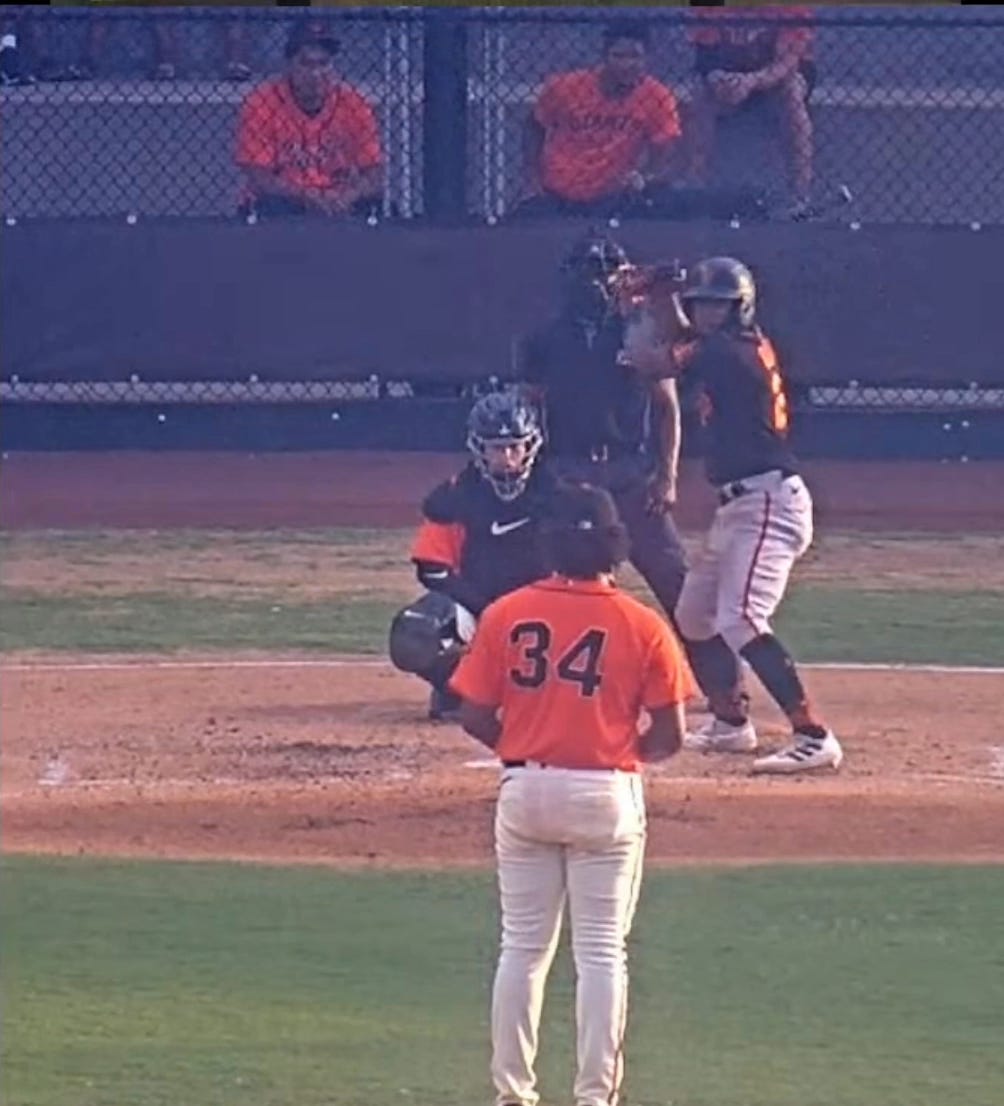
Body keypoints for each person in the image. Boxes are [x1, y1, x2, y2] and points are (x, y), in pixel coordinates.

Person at [449, 481, 691, 1106]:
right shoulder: (643, 624)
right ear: (616, 545)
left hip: (525, 788)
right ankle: (594, 1097)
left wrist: (522, 743)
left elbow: (472, 713)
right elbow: (671, 733)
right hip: (606, 794)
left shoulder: (507, 611)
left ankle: (513, 1094)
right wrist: (618, 755)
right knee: (603, 956)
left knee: (522, 950)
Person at [518, 231, 753, 738]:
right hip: (568, 471)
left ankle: (728, 700)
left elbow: (667, 407)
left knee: (676, 582)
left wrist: (666, 476)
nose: (595, 282)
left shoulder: (637, 331)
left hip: (630, 471)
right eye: (588, 270)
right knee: (556, 586)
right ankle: (543, 693)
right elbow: (531, 407)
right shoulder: (543, 340)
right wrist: (540, 476)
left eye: (604, 270)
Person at [662, 255, 843, 773]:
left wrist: (652, 301)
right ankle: (731, 724)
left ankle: (813, 734)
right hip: (740, 505)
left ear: (739, 307)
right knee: (695, 617)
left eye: (717, 306)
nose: (707, 315)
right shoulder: (730, 347)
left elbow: (657, 360)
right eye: (701, 306)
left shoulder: (729, 353)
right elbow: (687, 344)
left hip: (767, 502)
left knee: (741, 618)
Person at [389, 391, 556, 721]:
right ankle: (456, 689)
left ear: (531, 445)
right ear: (480, 448)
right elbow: (432, 569)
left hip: (545, 609)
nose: (507, 457)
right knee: (417, 631)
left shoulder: (559, 493)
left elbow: (584, 563)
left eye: (514, 447)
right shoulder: (456, 495)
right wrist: (487, 608)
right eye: (497, 448)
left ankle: (553, 692)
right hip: (479, 605)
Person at [514, 20, 684, 220]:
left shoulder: (657, 97)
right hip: (556, 191)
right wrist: (532, 181)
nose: (627, 64)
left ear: (647, 59)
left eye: (635, 56)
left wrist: (645, 177)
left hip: (615, 197)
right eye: (618, 56)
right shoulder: (566, 86)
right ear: (604, 56)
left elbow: (667, 149)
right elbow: (534, 125)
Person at [235, 18, 384, 220]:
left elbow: (374, 174)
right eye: (306, 64)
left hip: (339, 204)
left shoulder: (354, 104)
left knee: (371, 204)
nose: (315, 74)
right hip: (283, 207)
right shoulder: (261, 103)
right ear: (289, 64)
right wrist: (307, 196)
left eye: (324, 64)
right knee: (272, 204)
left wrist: (348, 197)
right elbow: (259, 176)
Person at [686, 4, 816, 218]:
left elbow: (787, 64)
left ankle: (800, 193)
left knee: (792, 95)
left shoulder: (791, 7)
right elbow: (704, 57)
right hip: (730, 74)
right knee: (701, 94)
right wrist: (717, 78)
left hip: (777, 78)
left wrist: (752, 81)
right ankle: (696, 188)